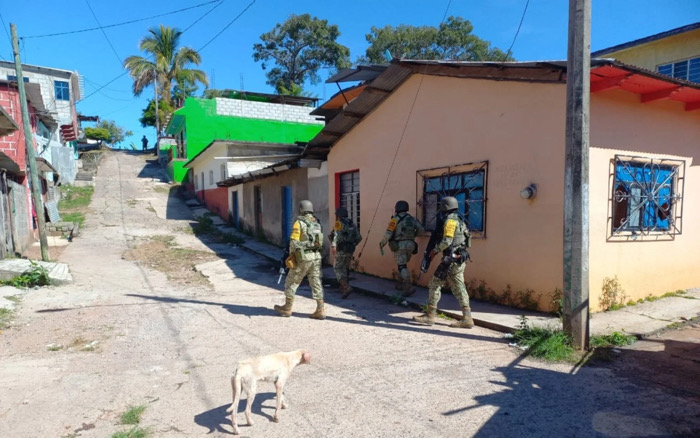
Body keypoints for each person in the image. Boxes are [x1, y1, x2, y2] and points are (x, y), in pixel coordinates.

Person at [412, 196, 474, 328]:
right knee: (459, 287)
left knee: (434, 284)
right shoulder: (460, 220)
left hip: (451, 260)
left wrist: (434, 251)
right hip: (458, 258)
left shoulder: (450, 222)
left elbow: (447, 241)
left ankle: (430, 316)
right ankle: (467, 318)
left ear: (444, 207)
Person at [274, 200, 326, 319]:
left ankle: (287, 308)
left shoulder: (299, 223)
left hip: (304, 257)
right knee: (316, 282)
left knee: (291, 281)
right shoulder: (317, 223)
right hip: (316, 256)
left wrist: (291, 256)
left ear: (301, 209)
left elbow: (294, 243)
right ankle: (320, 309)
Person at [379, 200, 423, 297]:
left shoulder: (395, 219)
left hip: (400, 245)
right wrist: (412, 236)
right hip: (411, 244)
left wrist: (382, 243)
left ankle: (408, 286)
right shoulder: (412, 219)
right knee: (402, 263)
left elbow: (388, 233)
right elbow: (421, 230)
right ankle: (399, 283)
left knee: (402, 266)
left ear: (397, 208)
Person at [330, 206, 362, 299]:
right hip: (350, 249)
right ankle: (343, 288)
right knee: (345, 268)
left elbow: (336, 235)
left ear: (339, 215)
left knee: (337, 268)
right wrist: (353, 244)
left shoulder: (338, 223)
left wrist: (333, 246)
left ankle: (346, 287)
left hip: (341, 249)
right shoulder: (352, 224)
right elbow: (359, 237)